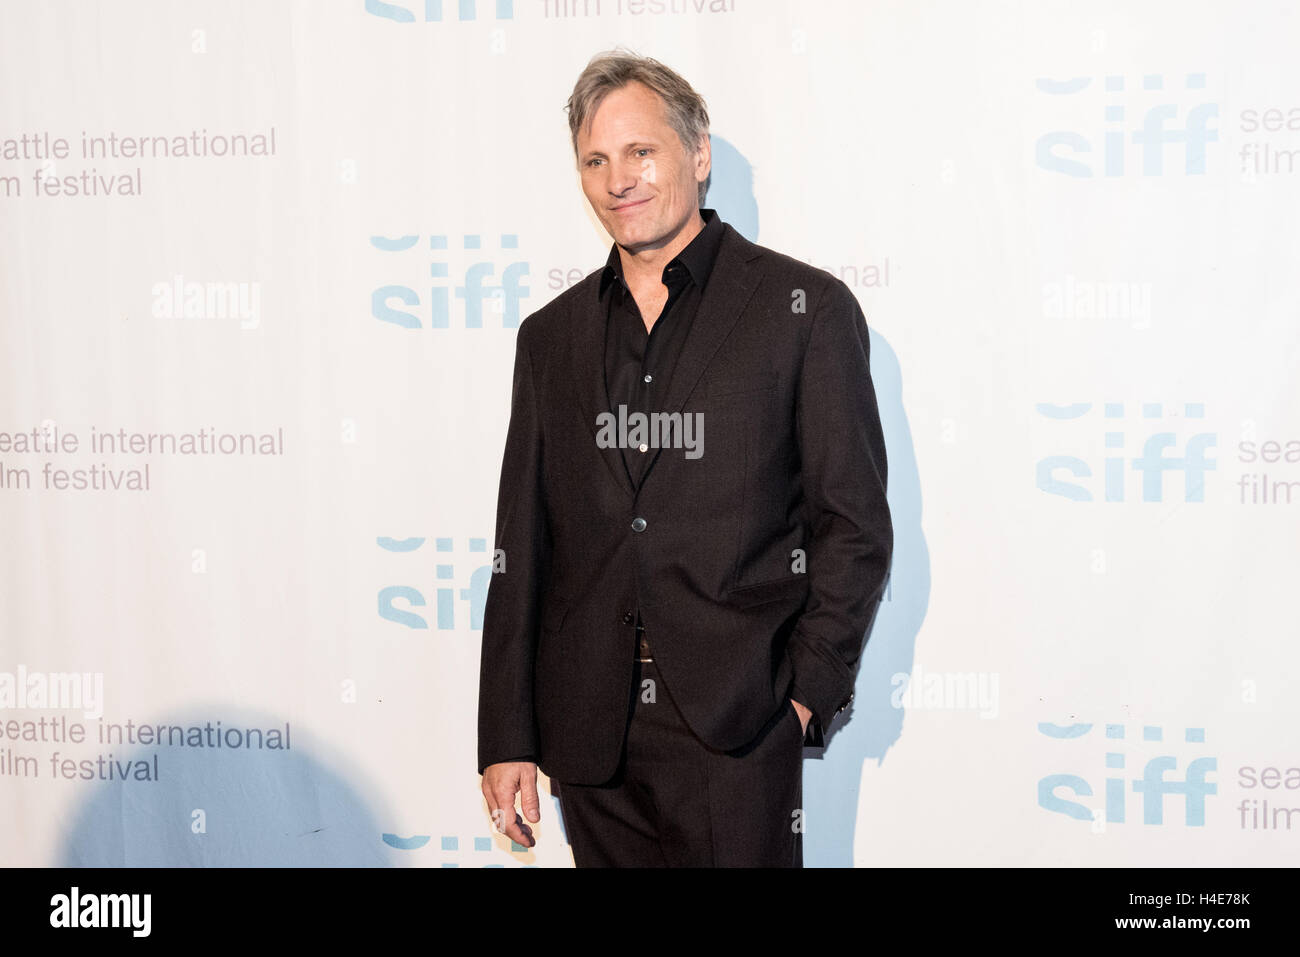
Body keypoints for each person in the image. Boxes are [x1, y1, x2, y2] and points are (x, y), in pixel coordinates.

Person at [477, 48, 892, 867]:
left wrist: (803, 697)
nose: (617, 179)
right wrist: (506, 733)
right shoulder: (549, 339)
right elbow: (519, 547)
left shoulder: (800, 311)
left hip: (738, 729)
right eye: (595, 161)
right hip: (589, 738)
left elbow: (853, 527)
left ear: (697, 154)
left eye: (641, 152)